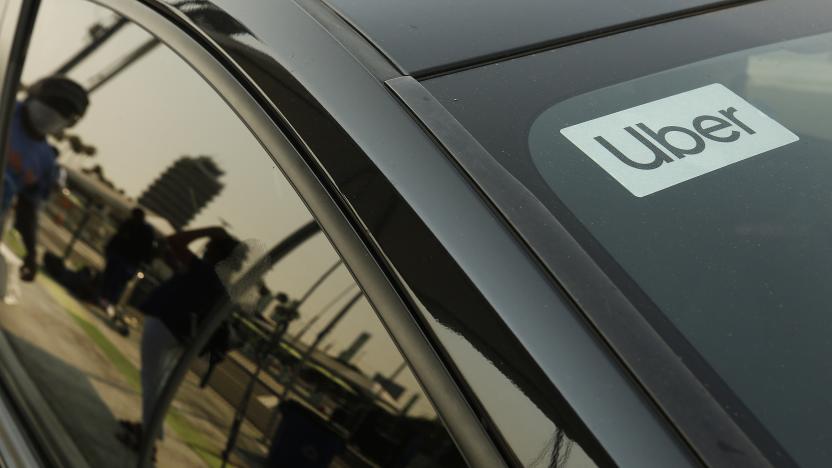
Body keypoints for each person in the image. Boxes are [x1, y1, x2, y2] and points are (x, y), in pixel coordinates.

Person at [116, 226, 246, 454]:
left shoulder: (204, 271)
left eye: (210, 247)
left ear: (215, 251)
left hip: (164, 327)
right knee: (159, 386)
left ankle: (148, 439)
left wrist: (210, 230)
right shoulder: (222, 285)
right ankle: (148, 430)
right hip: (181, 338)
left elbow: (174, 241)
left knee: (151, 383)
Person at [2, 76, 89, 281]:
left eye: (66, 112)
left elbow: (28, 209)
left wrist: (31, 254)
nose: (57, 113)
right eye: (55, 104)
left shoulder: (46, 161)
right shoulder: (5, 105)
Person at [97, 207, 155, 315]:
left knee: (115, 280)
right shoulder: (137, 227)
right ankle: (106, 299)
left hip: (126, 259)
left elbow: (118, 237)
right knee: (113, 279)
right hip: (125, 259)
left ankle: (107, 300)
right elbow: (118, 237)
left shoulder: (141, 229)